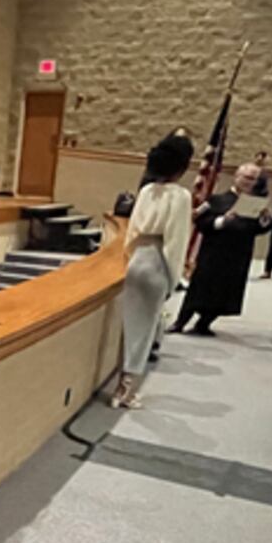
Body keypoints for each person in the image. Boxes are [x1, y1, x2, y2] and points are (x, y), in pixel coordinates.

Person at [114, 135, 195, 408]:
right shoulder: (181, 196)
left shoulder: (147, 191)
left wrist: (130, 256)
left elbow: (133, 229)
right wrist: (174, 277)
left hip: (138, 258)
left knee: (130, 323)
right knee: (145, 329)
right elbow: (176, 240)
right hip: (158, 261)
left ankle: (120, 386)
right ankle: (127, 390)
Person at [169, 162, 272, 337]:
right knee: (200, 288)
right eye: (246, 177)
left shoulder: (256, 203)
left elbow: (258, 229)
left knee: (227, 291)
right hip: (214, 253)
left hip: (239, 254)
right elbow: (201, 222)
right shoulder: (216, 200)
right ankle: (180, 323)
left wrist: (265, 221)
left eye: (253, 179)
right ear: (237, 177)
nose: (249, 182)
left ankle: (204, 323)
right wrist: (222, 221)